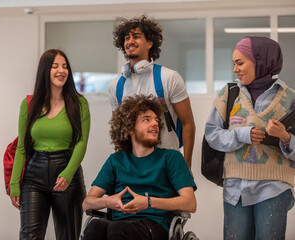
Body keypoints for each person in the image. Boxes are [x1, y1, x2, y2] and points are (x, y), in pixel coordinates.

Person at [204, 36, 295, 239]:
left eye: (240, 63)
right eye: (234, 63)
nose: (235, 69)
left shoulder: (290, 98)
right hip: (235, 187)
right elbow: (212, 134)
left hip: (274, 187)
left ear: (262, 61)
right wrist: (242, 135)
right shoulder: (228, 94)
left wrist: (285, 136)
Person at [82, 94, 196, 240]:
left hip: (155, 226)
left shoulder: (171, 158)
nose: (155, 123)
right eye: (146, 120)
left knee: (117, 229)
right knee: (95, 227)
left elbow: (190, 203)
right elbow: (87, 203)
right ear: (130, 128)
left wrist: (148, 203)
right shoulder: (116, 160)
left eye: (156, 120)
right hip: (118, 223)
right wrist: (107, 201)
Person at [9, 49, 90, 240]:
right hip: (33, 176)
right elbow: (22, 146)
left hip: (67, 173)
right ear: (45, 71)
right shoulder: (28, 104)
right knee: (30, 236)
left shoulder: (79, 103)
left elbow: (82, 142)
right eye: (55, 66)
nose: (61, 70)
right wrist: (14, 184)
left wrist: (68, 173)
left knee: (68, 235)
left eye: (64, 66)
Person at [108, 15, 195, 169]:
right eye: (127, 38)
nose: (130, 41)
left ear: (149, 43)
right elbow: (119, 132)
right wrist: (120, 167)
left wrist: (186, 165)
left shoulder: (169, 78)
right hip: (133, 165)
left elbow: (188, 124)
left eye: (136, 36)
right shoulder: (116, 86)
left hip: (168, 164)